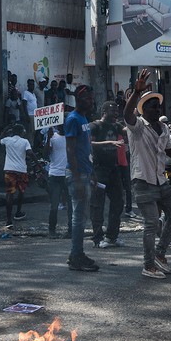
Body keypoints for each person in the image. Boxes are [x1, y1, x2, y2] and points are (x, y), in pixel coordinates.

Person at [123, 69, 171, 279]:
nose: (157, 109)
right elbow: (127, 115)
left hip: (161, 180)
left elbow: (169, 149)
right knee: (151, 223)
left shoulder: (163, 127)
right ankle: (148, 265)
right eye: (153, 106)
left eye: (158, 106)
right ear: (143, 109)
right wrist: (136, 93)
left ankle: (160, 253)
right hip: (143, 180)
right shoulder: (136, 127)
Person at [65, 84, 99, 272]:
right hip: (77, 175)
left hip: (86, 173)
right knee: (79, 218)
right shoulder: (73, 119)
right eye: (88, 98)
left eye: (92, 98)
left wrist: (92, 172)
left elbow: (87, 148)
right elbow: (70, 150)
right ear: (79, 99)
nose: (91, 101)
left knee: (82, 217)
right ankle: (76, 255)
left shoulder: (84, 118)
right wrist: (77, 178)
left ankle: (76, 254)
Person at [89, 101, 127, 249]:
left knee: (118, 202)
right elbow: (88, 144)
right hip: (98, 170)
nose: (116, 114)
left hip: (113, 169)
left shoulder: (115, 125)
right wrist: (109, 142)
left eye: (117, 112)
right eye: (113, 111)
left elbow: (127, 129)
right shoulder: (95, 126)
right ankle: (97, 238)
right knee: (97, 204)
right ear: (104, 111)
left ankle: (112, 236)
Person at [0, 124, 34, 228]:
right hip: (21, 170)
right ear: (21, 131)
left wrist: (5, 129)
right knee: (21, 191)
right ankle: (18, 212)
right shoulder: (25, 141)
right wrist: (37, 164)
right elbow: (30, 153)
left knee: (9, 194)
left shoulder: (7, 140)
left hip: (9, 170)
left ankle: (8, 220)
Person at [44, 125, 72, 238]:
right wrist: (49, 139)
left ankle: (71, 230)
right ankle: (52, 230)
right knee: (54, 205)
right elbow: (45, 154)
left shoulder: (71, 137)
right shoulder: (52, 137)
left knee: (71, 205)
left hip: (68, 174)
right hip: (55, 175)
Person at [22, 79, 38, 146]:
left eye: (33, 84)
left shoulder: (33, 94)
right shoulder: (25, 93)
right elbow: (24, 105)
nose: (32, 86)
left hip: (35, 115)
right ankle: (29, 146)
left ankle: (32, 145)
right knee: (30, 132)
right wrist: (27, 115)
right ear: (28, 85)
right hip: (29, 115)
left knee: (34, 131)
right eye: (30, 84)